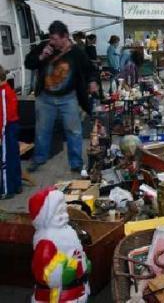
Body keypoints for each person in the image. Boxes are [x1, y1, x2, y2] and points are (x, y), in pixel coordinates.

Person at [24, 20, 98, 173]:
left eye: (55, 39)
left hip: (68, 98)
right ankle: (39, 159)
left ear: (65, 37)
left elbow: (90, 69)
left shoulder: (77, 52)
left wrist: (92, 82)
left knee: (74, 131)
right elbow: (28, 63)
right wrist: (41, 57)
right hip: (45, 98)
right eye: (50, 38)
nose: (51, 42)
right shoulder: (45, 47)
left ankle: (76, 163)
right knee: (42, 130)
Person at [0, 66, 21, 199]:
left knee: (5, 160)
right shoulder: (8, 90)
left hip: (6, 129)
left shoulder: (3, 92)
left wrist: (1, 134)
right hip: (11, 127)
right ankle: (16, 184)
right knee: (13, 157)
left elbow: (4, 116)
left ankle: (7, 190)